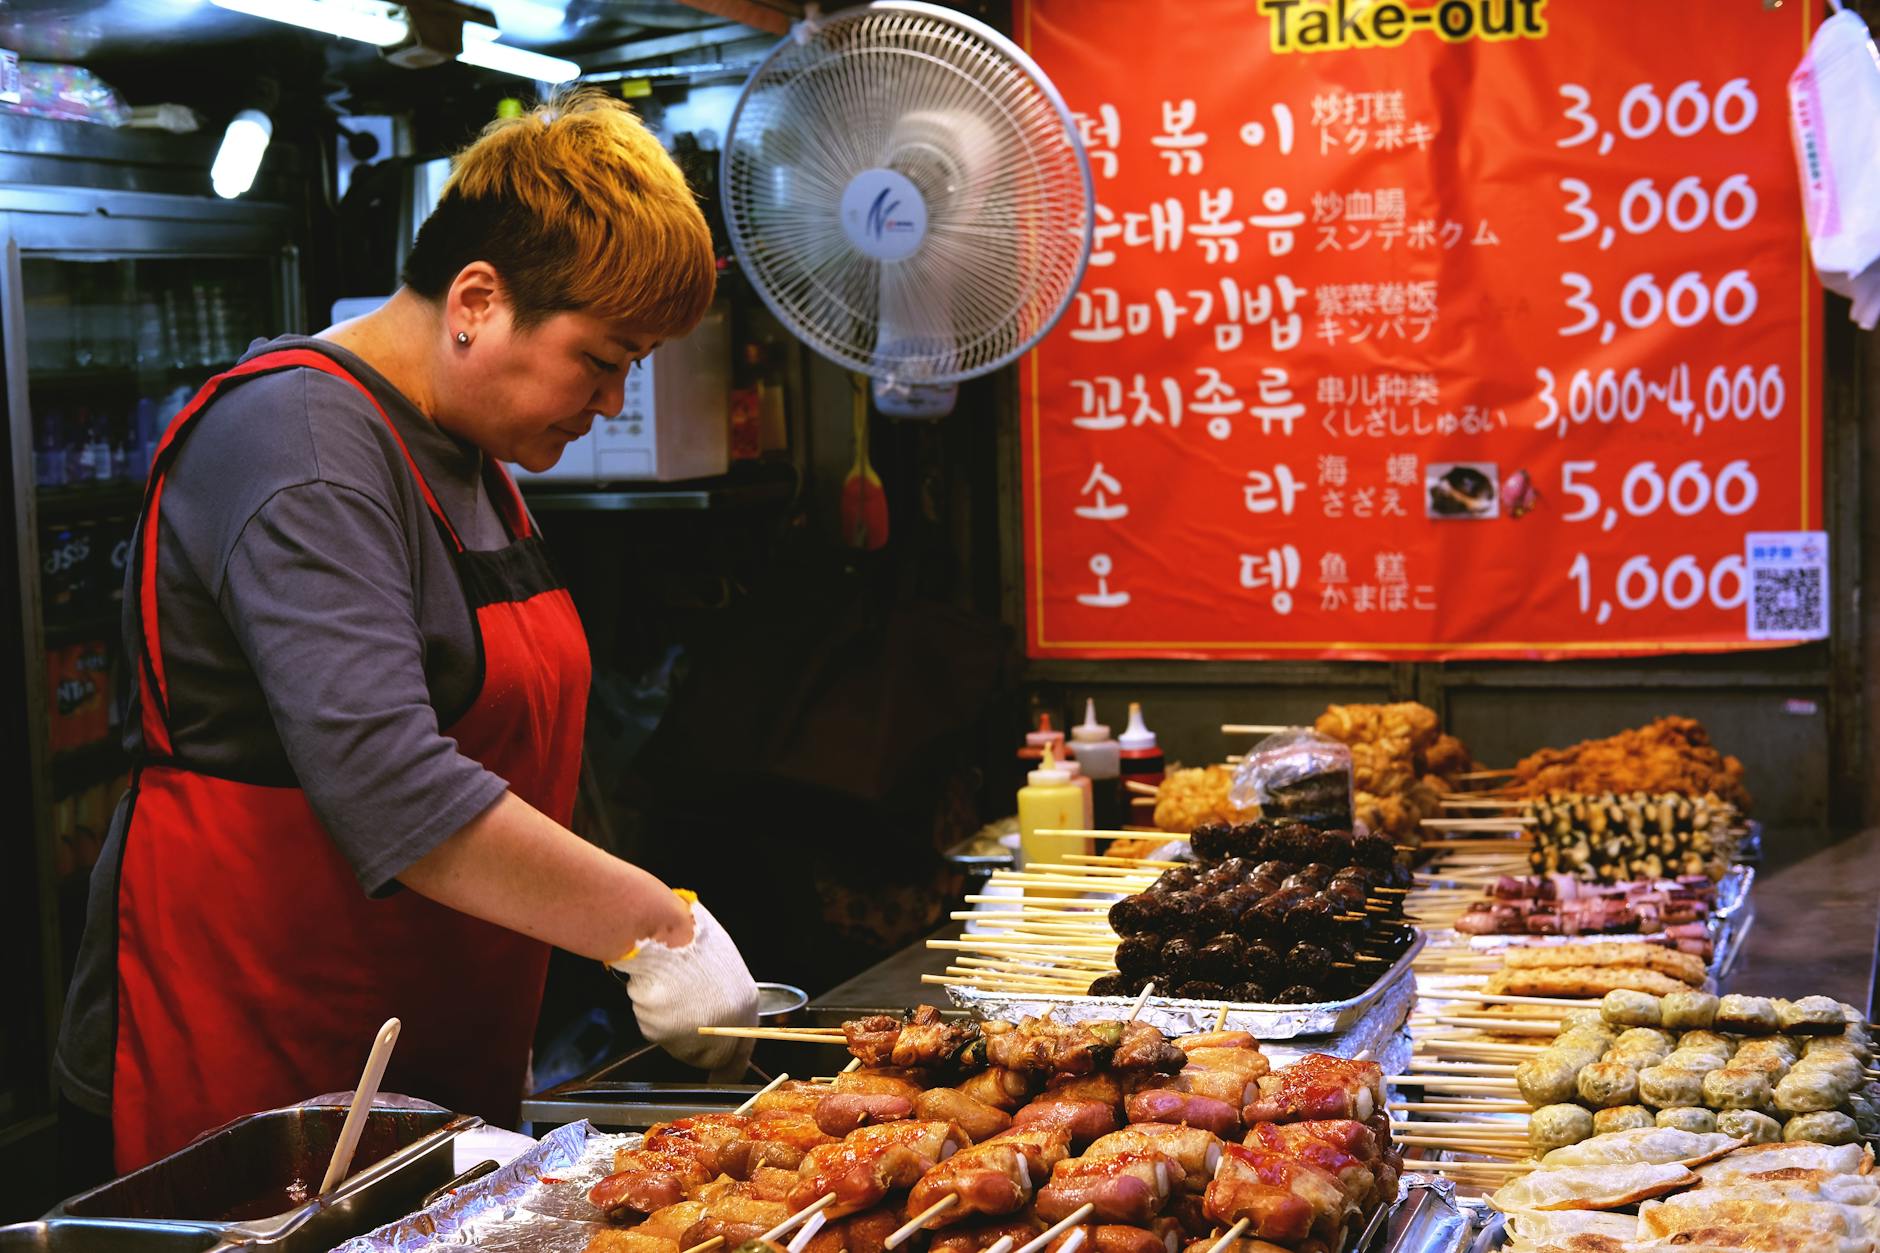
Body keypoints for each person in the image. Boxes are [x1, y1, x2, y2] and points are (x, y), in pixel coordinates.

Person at [54, 91, 759, 1178]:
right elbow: (391, 784)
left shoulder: (467, 447)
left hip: (419, 1058)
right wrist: (657, 928)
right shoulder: (302, 443)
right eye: (602, 357)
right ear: (476, 299)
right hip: (256, 1070)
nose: (613, 397)